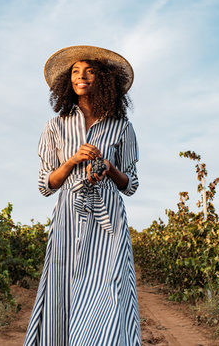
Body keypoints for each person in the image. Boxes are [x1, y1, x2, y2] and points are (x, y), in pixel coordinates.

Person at [24, 46, 141, 346]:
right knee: (64, 291)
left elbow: (131, 185)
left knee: (109, 291)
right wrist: (73, 161)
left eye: (89, 71)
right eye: (76, 72)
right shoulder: (55, 127)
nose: (82, 76)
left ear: (104, 79)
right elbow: (45, 184)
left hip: (108, 223)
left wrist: (111, 168)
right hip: (68, 219)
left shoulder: (121, 127)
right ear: (68, 82)